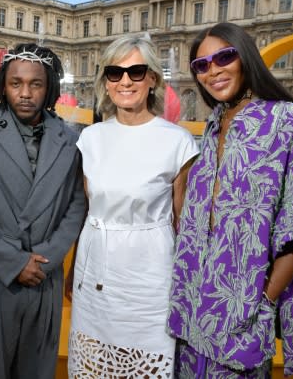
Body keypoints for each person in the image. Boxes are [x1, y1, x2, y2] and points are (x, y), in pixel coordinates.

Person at [167, 22, 293, 377]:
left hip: (242, 312)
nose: (213, 71)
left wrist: (261, 300)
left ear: (247, 57)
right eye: (201, 65)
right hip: (193, 307)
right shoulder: (214, 124)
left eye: (224, 57)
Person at [66, 35, 199, 377]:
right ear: (106, 82)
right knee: (93, 368)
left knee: (146, 365)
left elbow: (183, 221)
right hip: (94, 274)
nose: (125, 81)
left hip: (150, 278)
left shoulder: (178, 141)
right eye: (115, 72)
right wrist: (70, 271)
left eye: (136, 71)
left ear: (152, 78)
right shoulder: (90, 139)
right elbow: (87, 211)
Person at [0, 43, 87, 379]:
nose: (25, 93)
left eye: (35, 84)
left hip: (44, 277)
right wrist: (14, 262)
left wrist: (47, 259)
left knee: (37, 372)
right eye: (16, 84)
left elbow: (76, 205)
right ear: (3, 85)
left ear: (49, 88)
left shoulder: (71, 141)